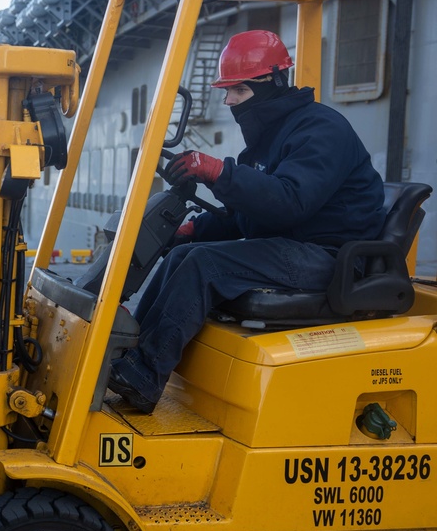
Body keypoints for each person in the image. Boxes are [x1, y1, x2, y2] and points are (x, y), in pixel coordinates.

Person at [107, 30, 386, 413]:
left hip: (330, 256)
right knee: (182, 255)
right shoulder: (271, 138)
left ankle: (144, 377)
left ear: (268, 84)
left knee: (204, 264)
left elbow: (289, 202)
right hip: (293, 245)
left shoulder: (322, 130)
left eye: (237, 91)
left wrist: (220, 174)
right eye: (227, 91)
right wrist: (189, 231)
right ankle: (127, 354)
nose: (228, 101)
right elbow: (250, 215)